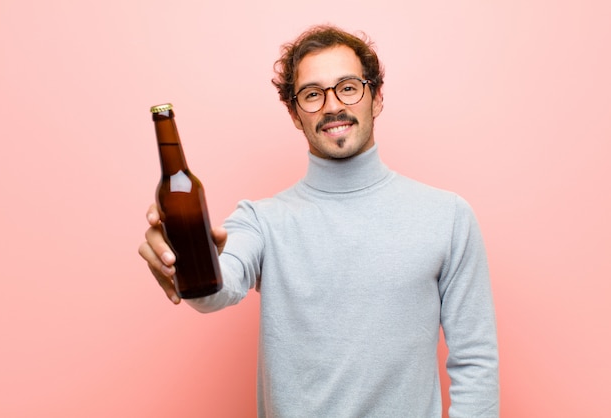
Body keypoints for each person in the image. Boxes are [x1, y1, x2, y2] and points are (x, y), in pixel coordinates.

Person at [139, 24, 499, 417]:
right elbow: (215, 290)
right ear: (295, 114)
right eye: (312, 95)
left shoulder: (447, 217)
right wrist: (189, 261)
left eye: (348, 87)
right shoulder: (261, 221)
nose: (331, 106)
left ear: (376, 97)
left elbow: (475, 361)